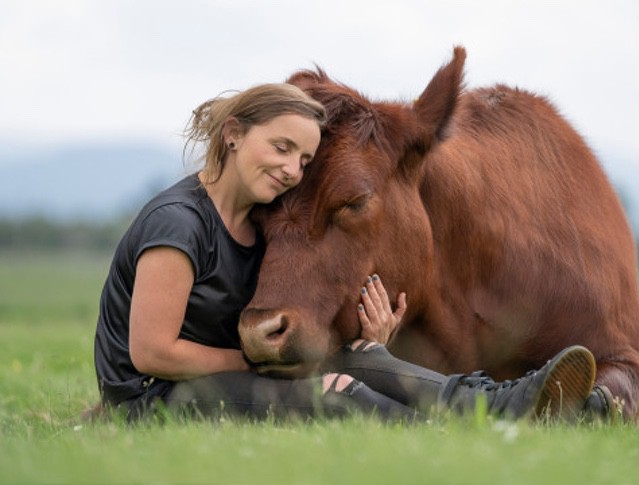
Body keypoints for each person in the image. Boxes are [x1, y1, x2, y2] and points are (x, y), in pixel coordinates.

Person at [93, 83, 601, 423]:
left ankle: (510, 402)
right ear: (233, 135)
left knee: (361, 359)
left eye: (304, 158)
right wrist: (257, 363)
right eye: (281, 147)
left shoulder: (256, 219)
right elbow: (151, 353)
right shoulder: (178, 223)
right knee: (335, 389)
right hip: (152, 397)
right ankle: (455, 430)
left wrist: (366, 342)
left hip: (219, 373)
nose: (293, 169)